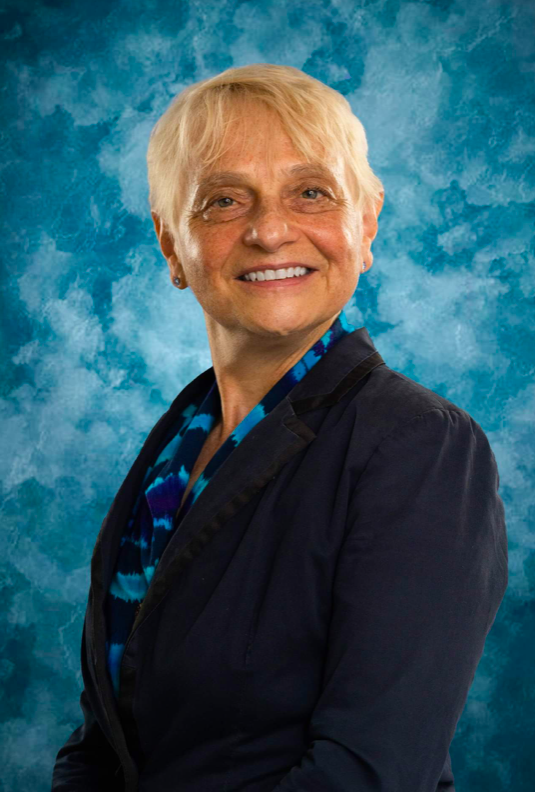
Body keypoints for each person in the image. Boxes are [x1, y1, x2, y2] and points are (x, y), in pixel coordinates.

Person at [51, 63, 508, 792]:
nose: (269, 231)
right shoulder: (174, 450)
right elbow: (104, 739)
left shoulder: (419, 445)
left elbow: (369, 774)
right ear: (171, 245)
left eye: (311, 193)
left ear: (366, 224)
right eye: (224, 201)